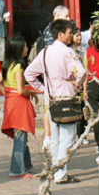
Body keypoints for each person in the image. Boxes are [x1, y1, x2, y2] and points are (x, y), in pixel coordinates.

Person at [24, 18, 86, 184]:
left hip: (51, 99)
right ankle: (61, 173)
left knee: (55, 137)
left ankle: (54, 170)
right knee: (67, 138)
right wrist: (74, 82)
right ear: (60, 34)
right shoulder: (68, 52)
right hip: (66, 97)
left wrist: (44, 89)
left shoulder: (44, 52)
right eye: (68, 32)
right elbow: (82, 72)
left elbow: (29, 74)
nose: (70, 35)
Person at [0, 35, 37, 178]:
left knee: (20, 136)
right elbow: (21, 90)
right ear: (20, 49)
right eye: (25, 46)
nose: (27, 48)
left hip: (11, 102)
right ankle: (17, 170)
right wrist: (32, 93)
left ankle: (25, 167)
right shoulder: (18, 67)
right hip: (19, 104)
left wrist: (7, 92)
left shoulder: (7, 64)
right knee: (21, 137)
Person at [37, 5, 71, 147]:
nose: (69, 19)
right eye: (67, 16)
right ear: (57, 17)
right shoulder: (51, 33)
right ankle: (50, 136)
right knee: (50, 105)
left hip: (56, 74)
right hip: (54, 74)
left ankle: (53, 136)